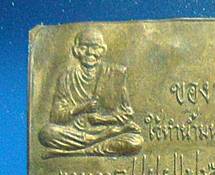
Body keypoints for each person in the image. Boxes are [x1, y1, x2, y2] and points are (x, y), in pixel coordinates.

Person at [39, 28, 143, 156]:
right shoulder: (66, 77)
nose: (89, 52)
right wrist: (82, 108)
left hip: (107, 129)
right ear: (76, 50)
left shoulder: (114, 74)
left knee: (135, 142)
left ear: (103, 50)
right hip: (76, 131)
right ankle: (95, 143)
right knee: (46, 133)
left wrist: (102, 120)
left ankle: (76, 152)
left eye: (95, 47)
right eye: (84, 47)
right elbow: (56, 116)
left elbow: (127, 115)